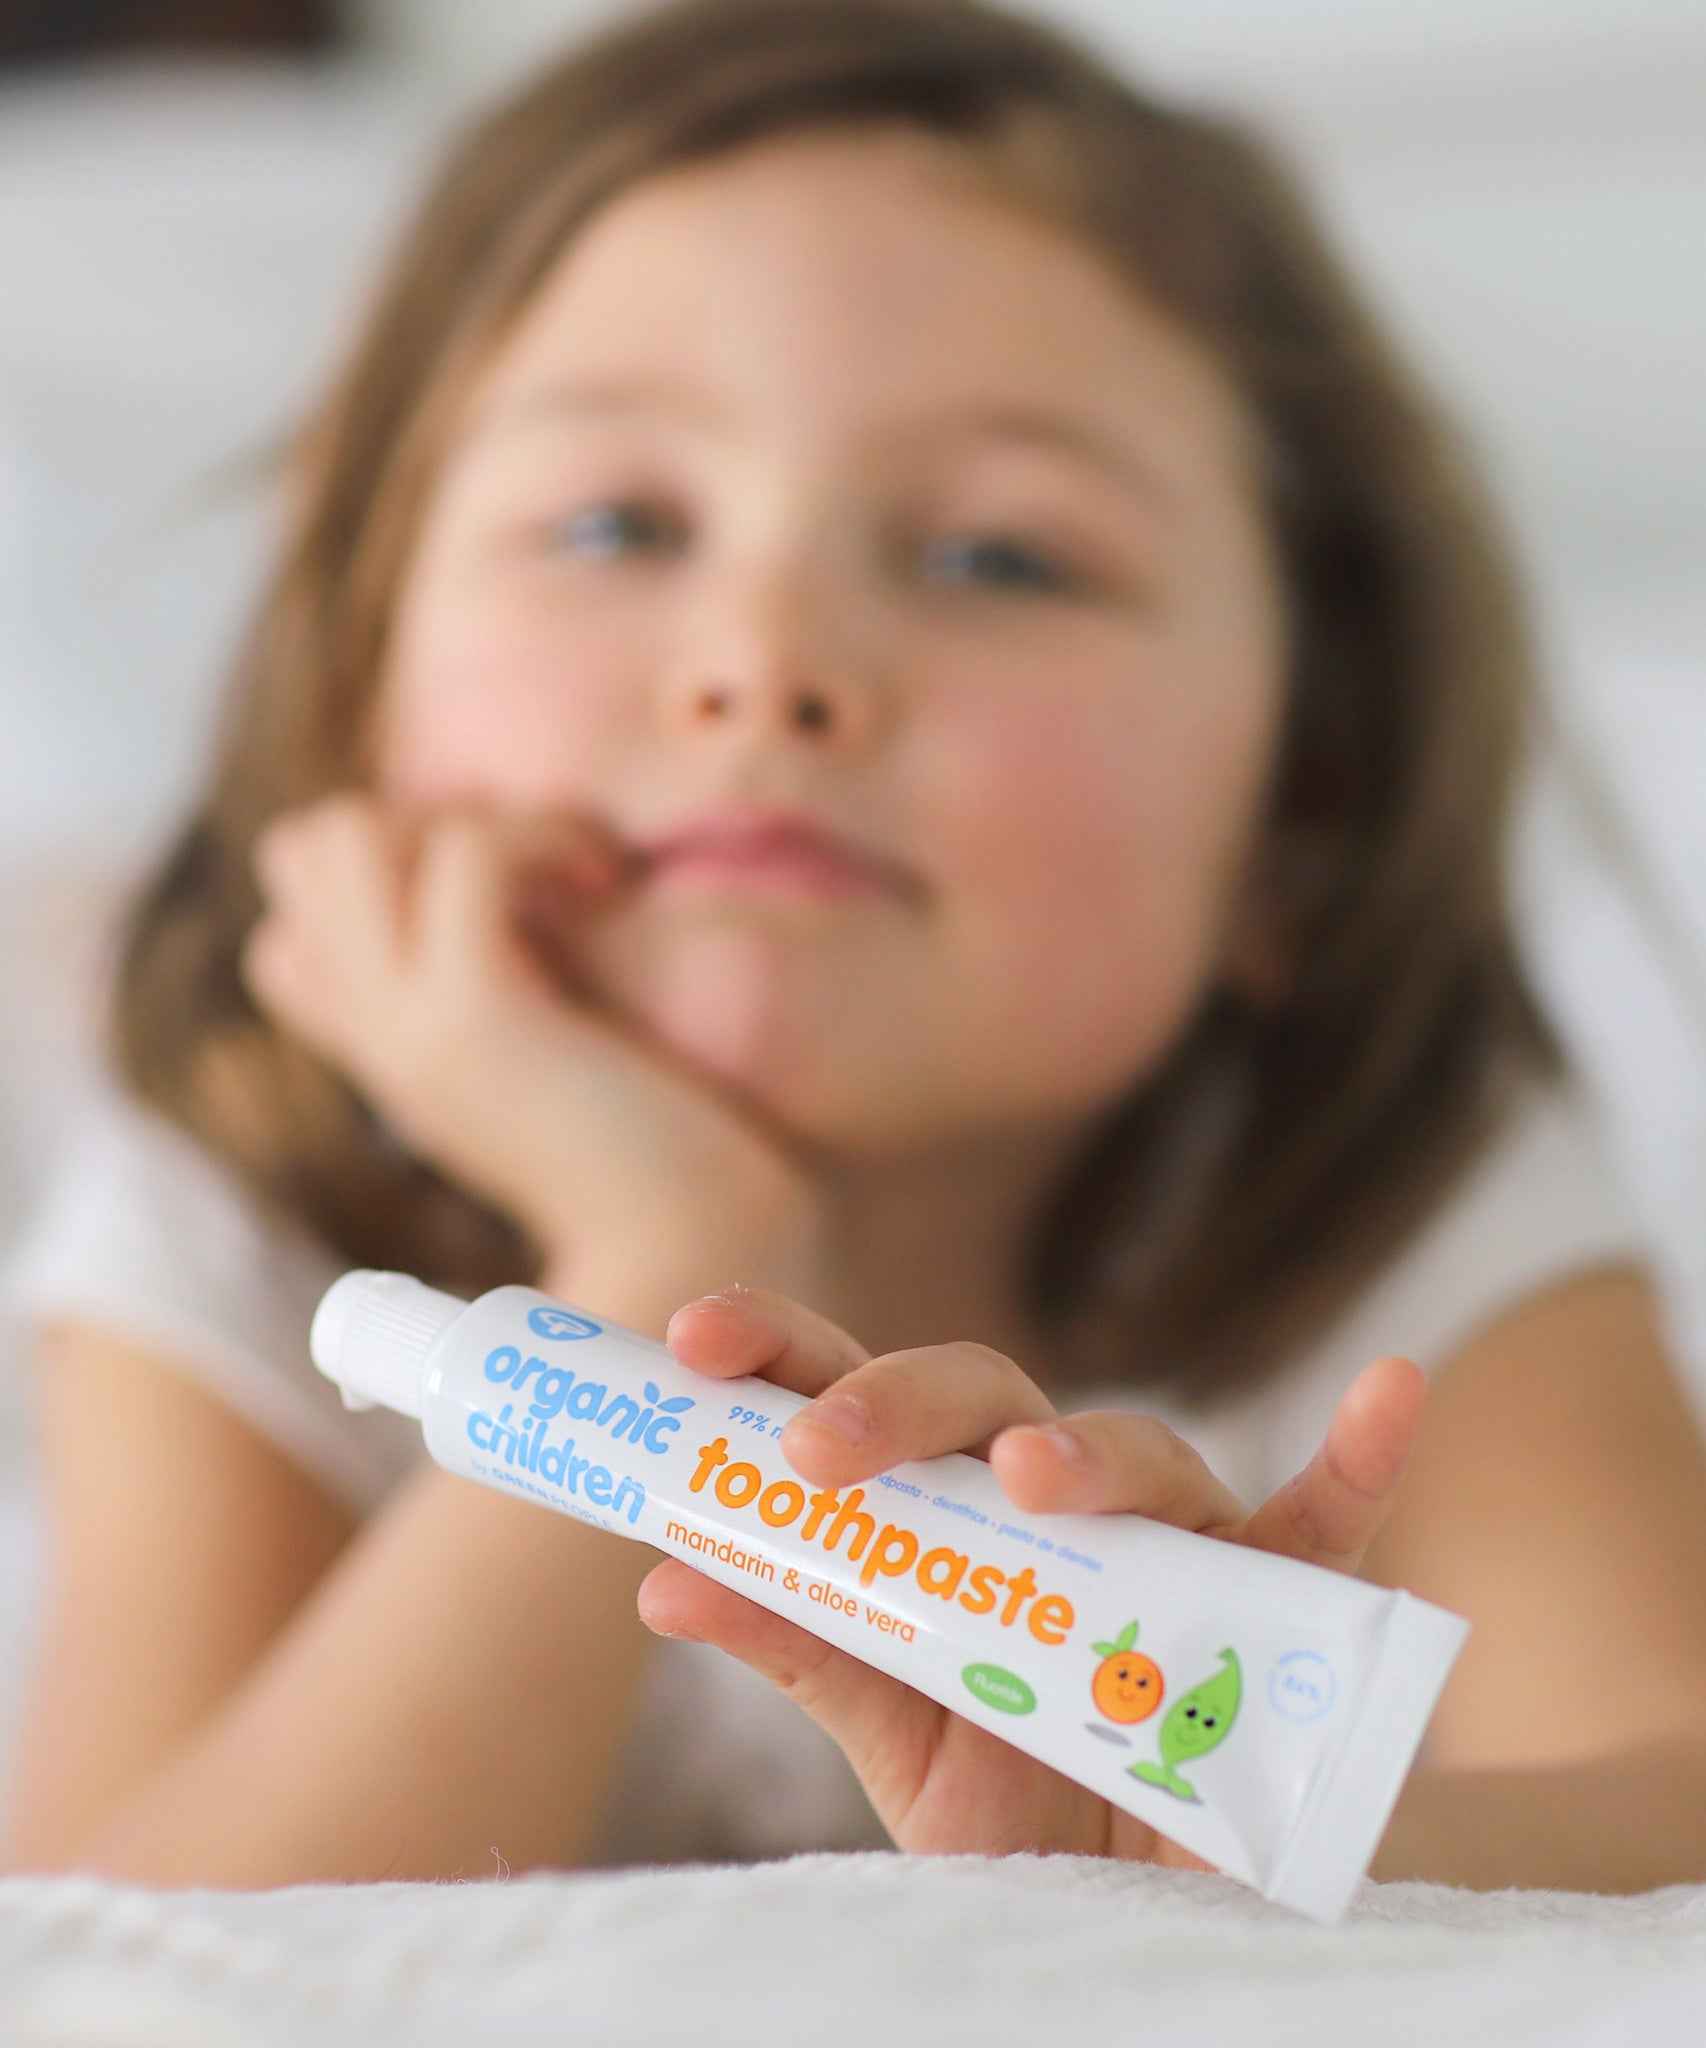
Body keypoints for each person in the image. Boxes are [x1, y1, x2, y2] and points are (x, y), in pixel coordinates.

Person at [6, 0, 1706, 1893]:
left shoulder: (1406, 1194)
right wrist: (661, 1263)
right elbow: (118, 1959)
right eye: (614, 520)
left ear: (1295, 832)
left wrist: (1221, 1856)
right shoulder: (248, 1203)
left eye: (997, 557)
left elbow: (1673, 1807)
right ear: (353, 705)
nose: (767, 657)